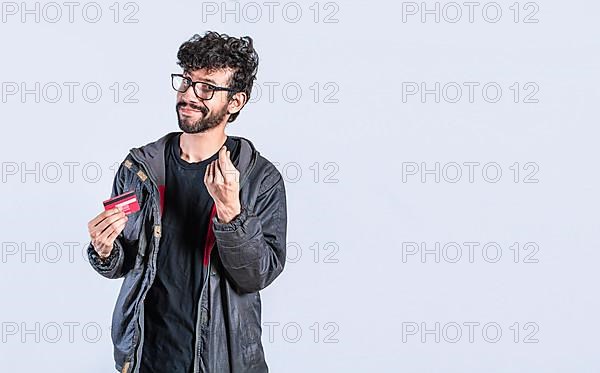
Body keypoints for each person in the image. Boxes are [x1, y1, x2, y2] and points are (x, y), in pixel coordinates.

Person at [86, 31, 288, 373]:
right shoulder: (139, 168)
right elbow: (126, 262)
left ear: (235, 102)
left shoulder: (259, 178)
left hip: (222, 360)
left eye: (207, 87)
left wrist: (231, 215)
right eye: (186, 82)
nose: (189, 96)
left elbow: (257, 274)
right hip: (143, 357)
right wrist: (105, 249)